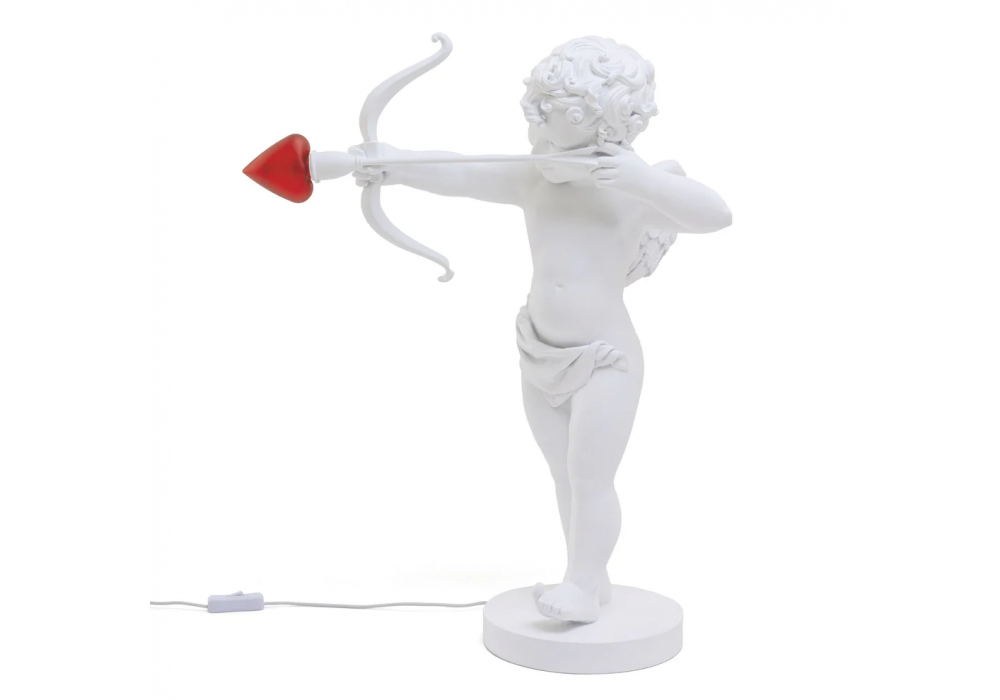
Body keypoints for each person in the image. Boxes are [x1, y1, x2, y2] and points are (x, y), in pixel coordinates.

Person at [353, 36, 731, 623]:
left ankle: (580, 584)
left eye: (549, 116)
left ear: (599, 122)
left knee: (590, 476)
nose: (534, 124)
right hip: (539, 351)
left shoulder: (630, 191)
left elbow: (716, 215)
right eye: (535, 111)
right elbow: (458, 171)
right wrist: (392, 162)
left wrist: (644, 180)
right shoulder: (534, 178)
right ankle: (589, 577)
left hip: (605, 360)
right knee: (564, 475)